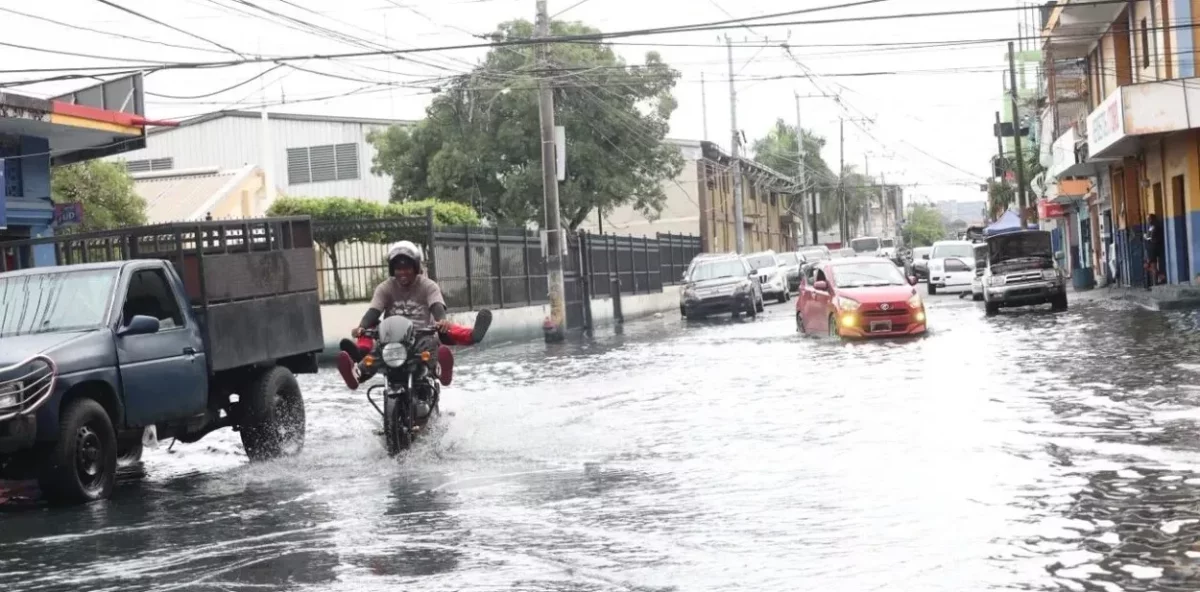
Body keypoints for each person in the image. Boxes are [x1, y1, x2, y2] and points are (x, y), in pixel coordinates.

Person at [336, 240, 491, 390]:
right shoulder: (385, 287)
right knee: (377, 353)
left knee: (430, 346)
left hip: (421, 335)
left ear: (416, 268)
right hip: (392, 338)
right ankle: (357, 374)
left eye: (407, 268)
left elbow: (437, 306)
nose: (403, 272)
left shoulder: (428, 286)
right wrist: (361, 327)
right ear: (392, 270)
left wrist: (441, 320)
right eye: (398, 268)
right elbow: (374, 311)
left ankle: (440, 370)